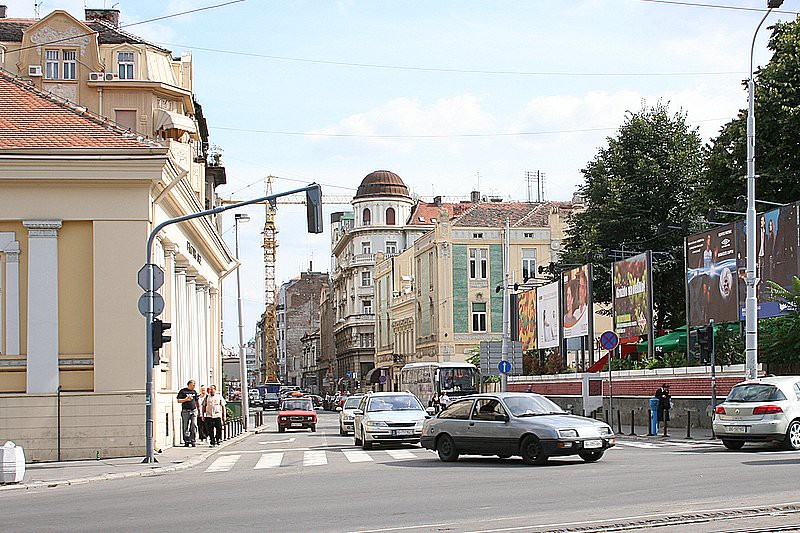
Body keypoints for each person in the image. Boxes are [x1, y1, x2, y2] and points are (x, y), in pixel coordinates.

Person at [177, 380, 199, 447]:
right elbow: (178, 400)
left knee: (194, 425)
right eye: (193, 385)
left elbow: (196, 401)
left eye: (194, 385)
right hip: (185, 411)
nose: (194, 386)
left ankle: (193, 440)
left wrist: (199, 410)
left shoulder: (194, 392)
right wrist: (186, 399)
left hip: (193, 410)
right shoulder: (183, 391)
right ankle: (186, 440)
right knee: (185, 426)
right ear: (189, 385)